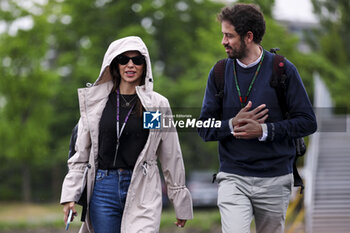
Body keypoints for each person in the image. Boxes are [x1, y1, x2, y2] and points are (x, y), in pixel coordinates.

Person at [197, 4, 317, 233]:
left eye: (229, 35)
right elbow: (203, 127)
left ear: (248, 36)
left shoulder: (283, 69)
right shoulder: (219, 72)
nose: (223, 41)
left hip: (275, 178)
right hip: (233, 177)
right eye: (223, 34)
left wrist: (264, 130)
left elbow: (308, 122)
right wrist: (232, 125)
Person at [60, 36, 193, 233]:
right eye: (124, 59)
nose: (130, 65)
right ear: (115, 64)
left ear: (144, 65)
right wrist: (70, 195)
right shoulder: (97, 102)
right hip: (103, 189)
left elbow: (170, 154)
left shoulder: (154, 105)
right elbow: (80, 155)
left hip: (143, 187)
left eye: (137, 60)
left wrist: (180, 202)